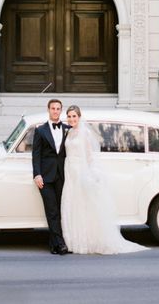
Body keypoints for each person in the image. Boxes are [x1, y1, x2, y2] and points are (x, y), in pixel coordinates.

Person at [61, 105, 149, 254]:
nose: (71, 119)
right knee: (71, 205)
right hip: (69, 172)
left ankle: (86, 241)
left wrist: (90, 174)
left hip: (80, 171)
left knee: (83, 207)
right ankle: (73, 241)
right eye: (69, 116)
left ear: (79, 117)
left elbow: (89, 156)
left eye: (74, 116)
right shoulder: (68, 132)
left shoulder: (84, 133)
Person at [32, 98, 71, 255]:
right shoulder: (40, 130)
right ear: (48, 110)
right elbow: (36, 154)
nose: (55, 111)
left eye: (58, 109)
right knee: (52, 210)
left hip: (62, 176)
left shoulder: (67, 128)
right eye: (53, 108)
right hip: (46, 177)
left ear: (61, 111)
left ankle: (53, 244)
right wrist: (37, 174)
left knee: (60, 211)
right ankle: (60, 245)